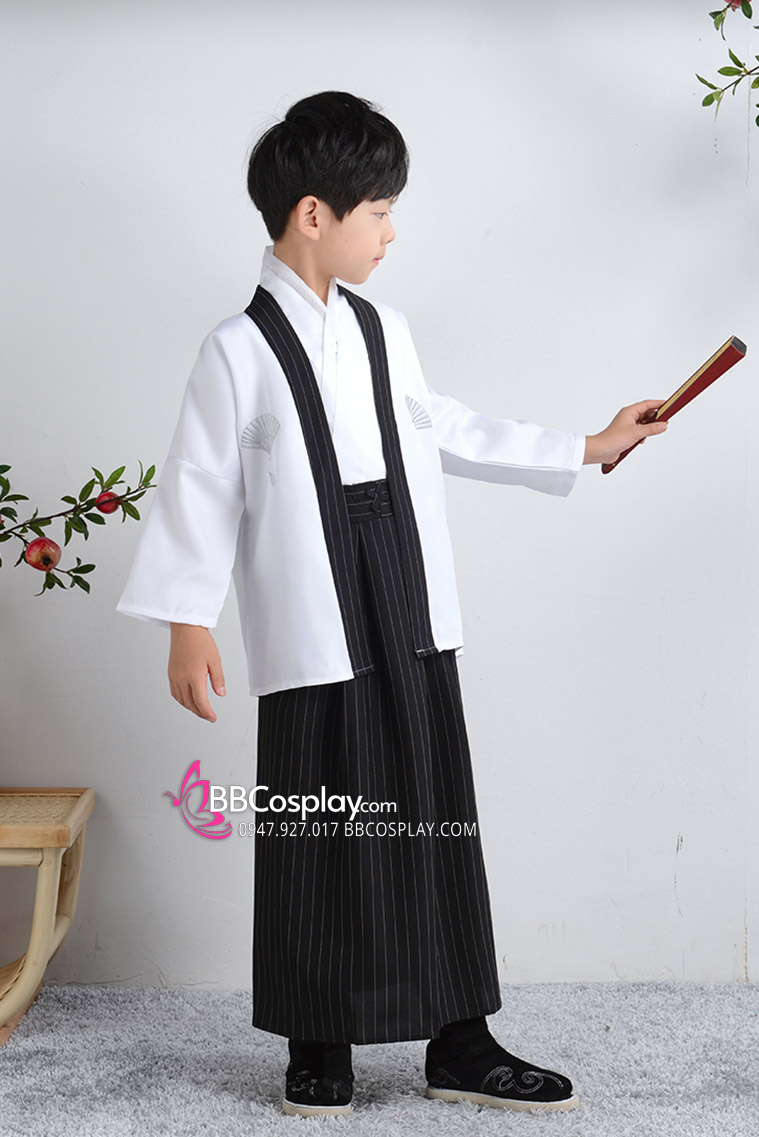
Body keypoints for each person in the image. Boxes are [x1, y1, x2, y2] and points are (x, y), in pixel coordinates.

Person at [116, 90, 668, 1119]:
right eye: (378, 211)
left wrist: (586, 446)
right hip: (311, 600)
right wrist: (187, 620)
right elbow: (201, 482)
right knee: (320, 807)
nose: (390, 231)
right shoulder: (236, 350)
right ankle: (317, 1038)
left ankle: (460, 1038)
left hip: (403, 587)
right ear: (313, 215)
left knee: (432, 800)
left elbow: (443, 427)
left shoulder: (385, 332)